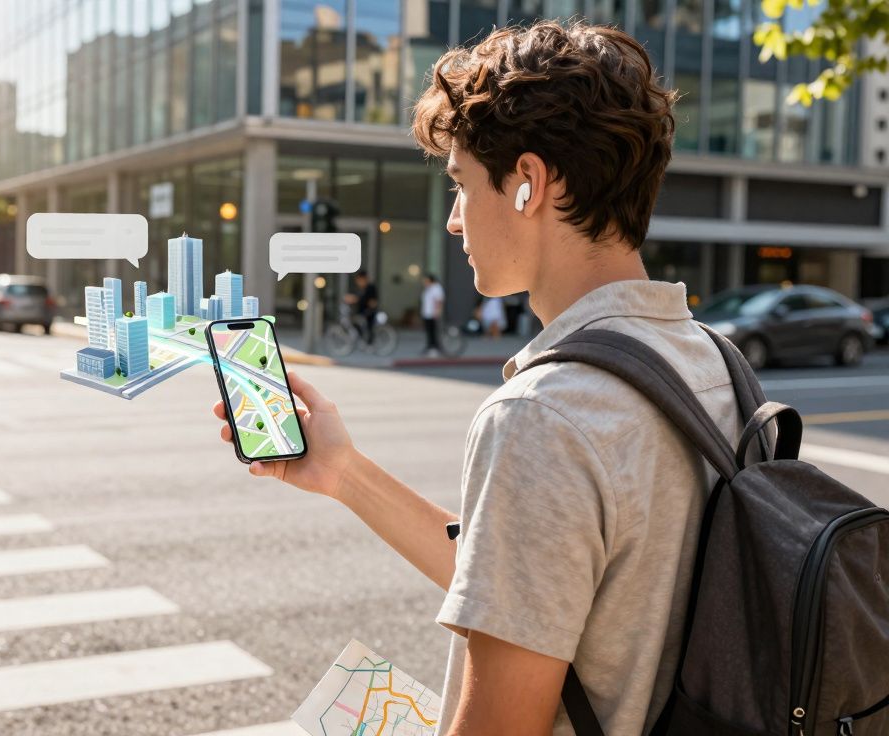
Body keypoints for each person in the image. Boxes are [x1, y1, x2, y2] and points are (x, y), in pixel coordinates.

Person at [211, 21, 748, 735]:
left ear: (528, 183)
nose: (456, 221)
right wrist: (342, 472)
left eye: (462, 184)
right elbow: (534, 587)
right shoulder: (717, 364)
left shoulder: (546, 415)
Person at [342, 270, 379, 344]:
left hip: (369, 312)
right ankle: (361, 338)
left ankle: (368, 341)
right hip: (360, 311)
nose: (358, 282)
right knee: (352, 320)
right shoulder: (359, 289)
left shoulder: (370, 288)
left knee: (363, 324)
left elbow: (370, 301)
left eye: (360, 280)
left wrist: (356, 299)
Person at [420, 273, 445, 356]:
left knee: (434, 331)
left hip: (433, 314)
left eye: (426, 280)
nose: (424, 282)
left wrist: (437, 311)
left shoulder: (436, 288)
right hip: (427, 314)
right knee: (429, 331)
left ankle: (435, 348)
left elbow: (439, 301)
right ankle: (429, 346)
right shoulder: (428, 288)